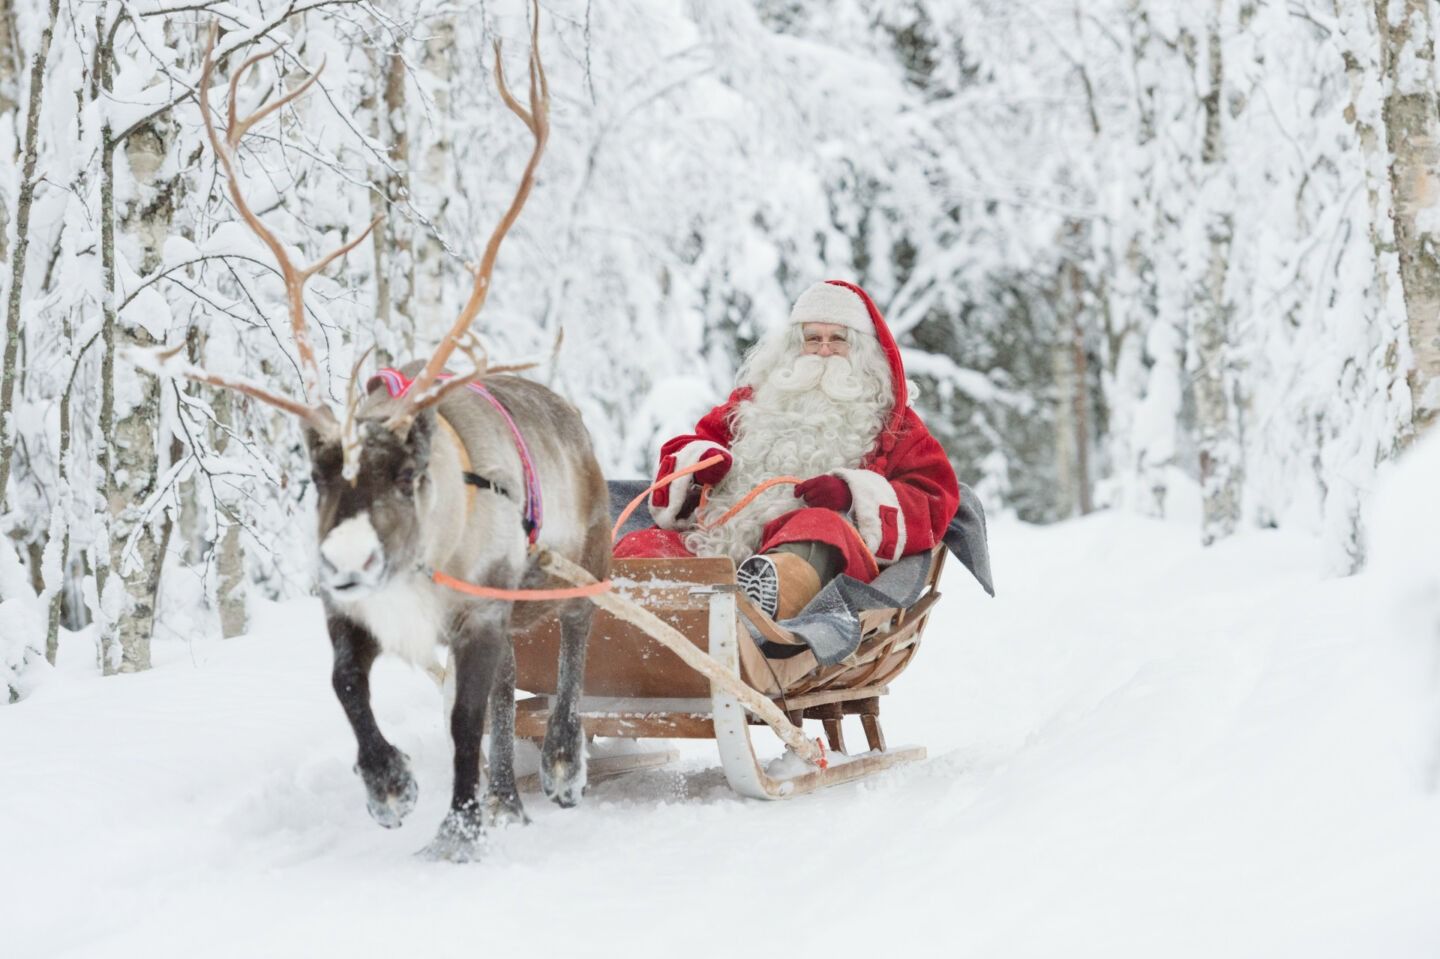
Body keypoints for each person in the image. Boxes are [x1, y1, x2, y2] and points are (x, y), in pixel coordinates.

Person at [615, 280, 960, 619]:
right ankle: (636, 608)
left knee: (820, 525)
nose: (824, 350)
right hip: (716, 545)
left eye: (838, 339)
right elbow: (689, 448)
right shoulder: (753, 403)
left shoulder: (895, 424)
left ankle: (764, 598)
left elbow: (934, 498)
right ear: (795, 346)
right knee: (641, 546)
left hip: (816, 567)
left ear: (862, 351)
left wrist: (852, 495)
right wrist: (700, 464)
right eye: (813, 339)